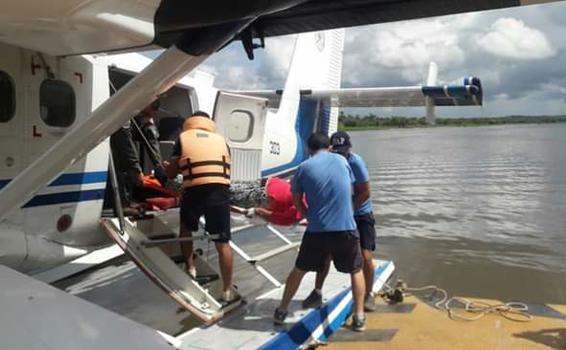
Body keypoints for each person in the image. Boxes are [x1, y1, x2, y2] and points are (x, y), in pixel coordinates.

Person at [273, 133, 367, 332]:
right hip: (345, 228)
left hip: (316, 229)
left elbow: (296, 198)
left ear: (309, 149)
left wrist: (307, 214)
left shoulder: (303, 167)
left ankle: (282, 310)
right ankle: (359, 317)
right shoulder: (343, 162)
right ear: (330, 147)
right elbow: (348, 189)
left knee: (299, 269)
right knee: (355, 270)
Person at [302, 131, 377, 312]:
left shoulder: (355, 162)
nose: (340, 155)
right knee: (325, 253)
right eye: (336, 151)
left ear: (349, 148)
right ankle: (317, 291)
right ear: (329, 149)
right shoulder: (328, 162)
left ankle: (369, 294)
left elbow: (365, 192)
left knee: (365, 256)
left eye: (343, 151)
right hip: (338, 216)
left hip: (360, 213)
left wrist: (349, 210)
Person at [165, 111, 235, 302]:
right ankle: (227, 290)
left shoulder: (183, 139)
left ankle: (190, 267)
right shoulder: (221, 141)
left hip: (194, 190)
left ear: (190, 123)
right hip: (219, 191)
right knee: (223, 243)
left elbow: (171, 173)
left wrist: (166, 168)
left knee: (186, 228)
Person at [241, 177, 305, 226]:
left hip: (269, 184)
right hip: (263, 196)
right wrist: (258, 211)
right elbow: (280, 219)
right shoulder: (303, 210)